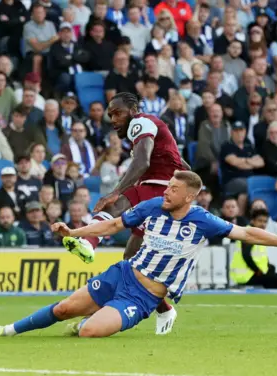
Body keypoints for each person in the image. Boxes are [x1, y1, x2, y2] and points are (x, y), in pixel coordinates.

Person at [0, 171, 277, 338]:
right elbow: (113, 225)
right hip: (124, 273)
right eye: (168, 186)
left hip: (146, 295)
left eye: (174, 188)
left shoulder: (202, 220)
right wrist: (74, 232)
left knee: (86, 332)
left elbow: (247, 232)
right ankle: (6, 331)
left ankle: (158, 310)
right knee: (63, 307)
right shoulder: (152, 206)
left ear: (189, 197)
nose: (167, 191)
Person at [61, 92, 189, 334]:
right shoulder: (151, 129)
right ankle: (163, 308)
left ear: (133, 110)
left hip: (158, 187)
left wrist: (116, 191)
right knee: (130, 262)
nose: (113, 118)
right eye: (110, 115)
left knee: (113, 205)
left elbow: (142, 163)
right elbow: (183, 165)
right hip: (162, 188)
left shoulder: (140, 122)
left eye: (117, 113)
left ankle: (88, 243)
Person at [230, 209, 277, 289]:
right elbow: (246, 255)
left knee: (272, 269)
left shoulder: (256, 234)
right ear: (253, 221)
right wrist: (257, 271)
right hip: (246, 276)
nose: (263, 224)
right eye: (260, 221)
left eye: (265, 222)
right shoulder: (249, 233)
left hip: (250, 274)